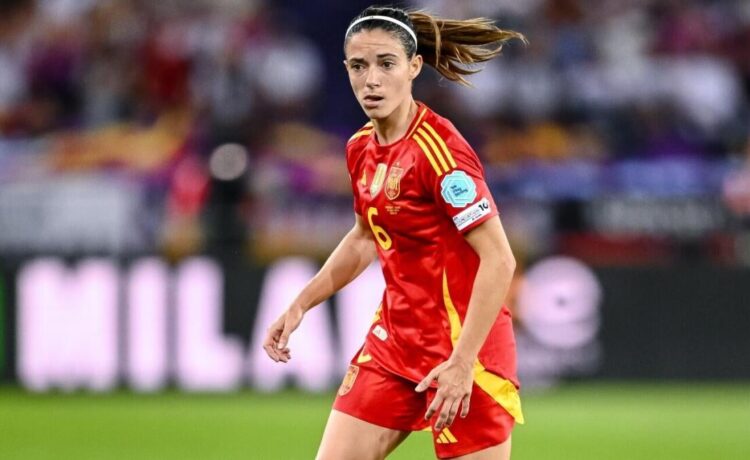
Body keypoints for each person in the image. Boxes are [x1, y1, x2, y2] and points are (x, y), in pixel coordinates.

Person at [263, 6, 525, 459]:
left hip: (466, 351)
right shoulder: (360, 147)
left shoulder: (440, 152)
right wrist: (301, 303)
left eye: (386, 64)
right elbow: (365, 236)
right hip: (395, 344)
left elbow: (500, 259)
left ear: (414, 67)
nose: (372, 80)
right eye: (359, 66)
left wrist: (462, 362)